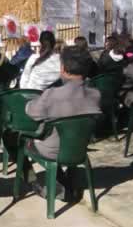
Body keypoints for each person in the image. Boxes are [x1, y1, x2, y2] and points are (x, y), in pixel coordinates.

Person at [23, 46, 103, 201]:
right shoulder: (95, 95)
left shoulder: (52, 94)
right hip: (79, 148)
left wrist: (32, 102)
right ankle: (64, 182)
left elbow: (31, 112)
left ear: (63, 69)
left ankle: (33, 180)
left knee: (16, 138)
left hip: (52, 151)